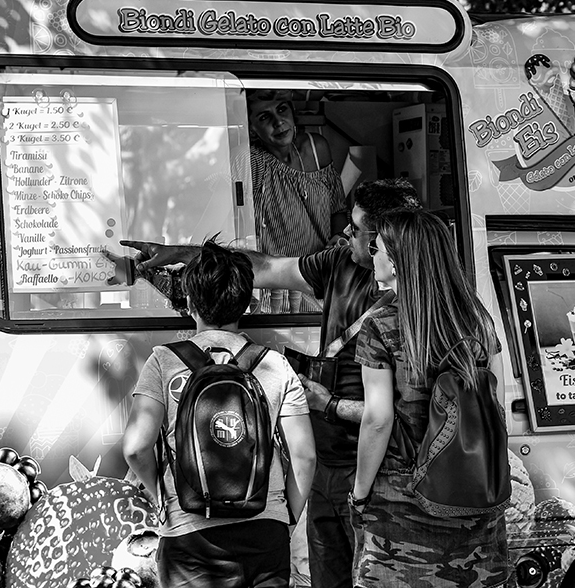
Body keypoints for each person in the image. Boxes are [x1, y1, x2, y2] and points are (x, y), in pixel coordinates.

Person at [118, 178, 422, 588]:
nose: (345, 233)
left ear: (386, 235)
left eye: (356, 228)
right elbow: (259, 267)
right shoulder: (337, 263)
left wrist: (330, 406)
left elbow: (400, 414)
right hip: (327, 466)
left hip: (379, 469)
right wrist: (185, 255)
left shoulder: (422, 302)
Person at [121, 240, 317, 587]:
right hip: (264, 530)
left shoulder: (164, 362)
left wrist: (162, 500)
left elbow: (136, 447)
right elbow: (304, 457)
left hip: (189, 535)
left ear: (192, 303)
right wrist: (285, 519)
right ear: (245, 303)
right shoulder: (274, 365)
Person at [350, 209, 512, 587]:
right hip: (473, 500)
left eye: (377, 248)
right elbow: (496, 409)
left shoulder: (381, 325)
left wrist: (359, 493)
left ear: (397, 260)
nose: (372, 255)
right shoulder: (478, 320)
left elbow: (378, 420)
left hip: (400, 502)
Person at [247, 90, 346, 312]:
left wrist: (339, 239)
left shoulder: (316, 147)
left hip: (321, 280)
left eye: (282, 109)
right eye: (264, 117)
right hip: (277, 289)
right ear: (252, 129)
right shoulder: (251, 161)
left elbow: (338, 209)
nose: (278, 122)